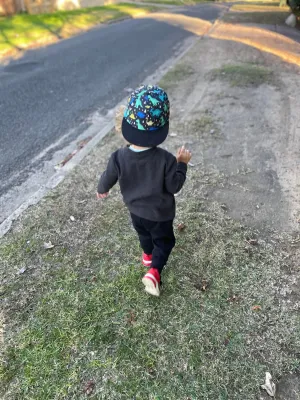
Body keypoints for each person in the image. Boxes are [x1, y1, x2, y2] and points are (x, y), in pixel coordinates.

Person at [97, 85, 191, 296]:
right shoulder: (167, 160)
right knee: (164, 241)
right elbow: (174, 186)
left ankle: (147, 254)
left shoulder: (118, 157)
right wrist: (182, 164)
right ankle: (154, 271)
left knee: (144, 235)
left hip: (135, 212)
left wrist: (101, 189)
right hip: (160, 214)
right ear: (161, 128)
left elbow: (108, 177)